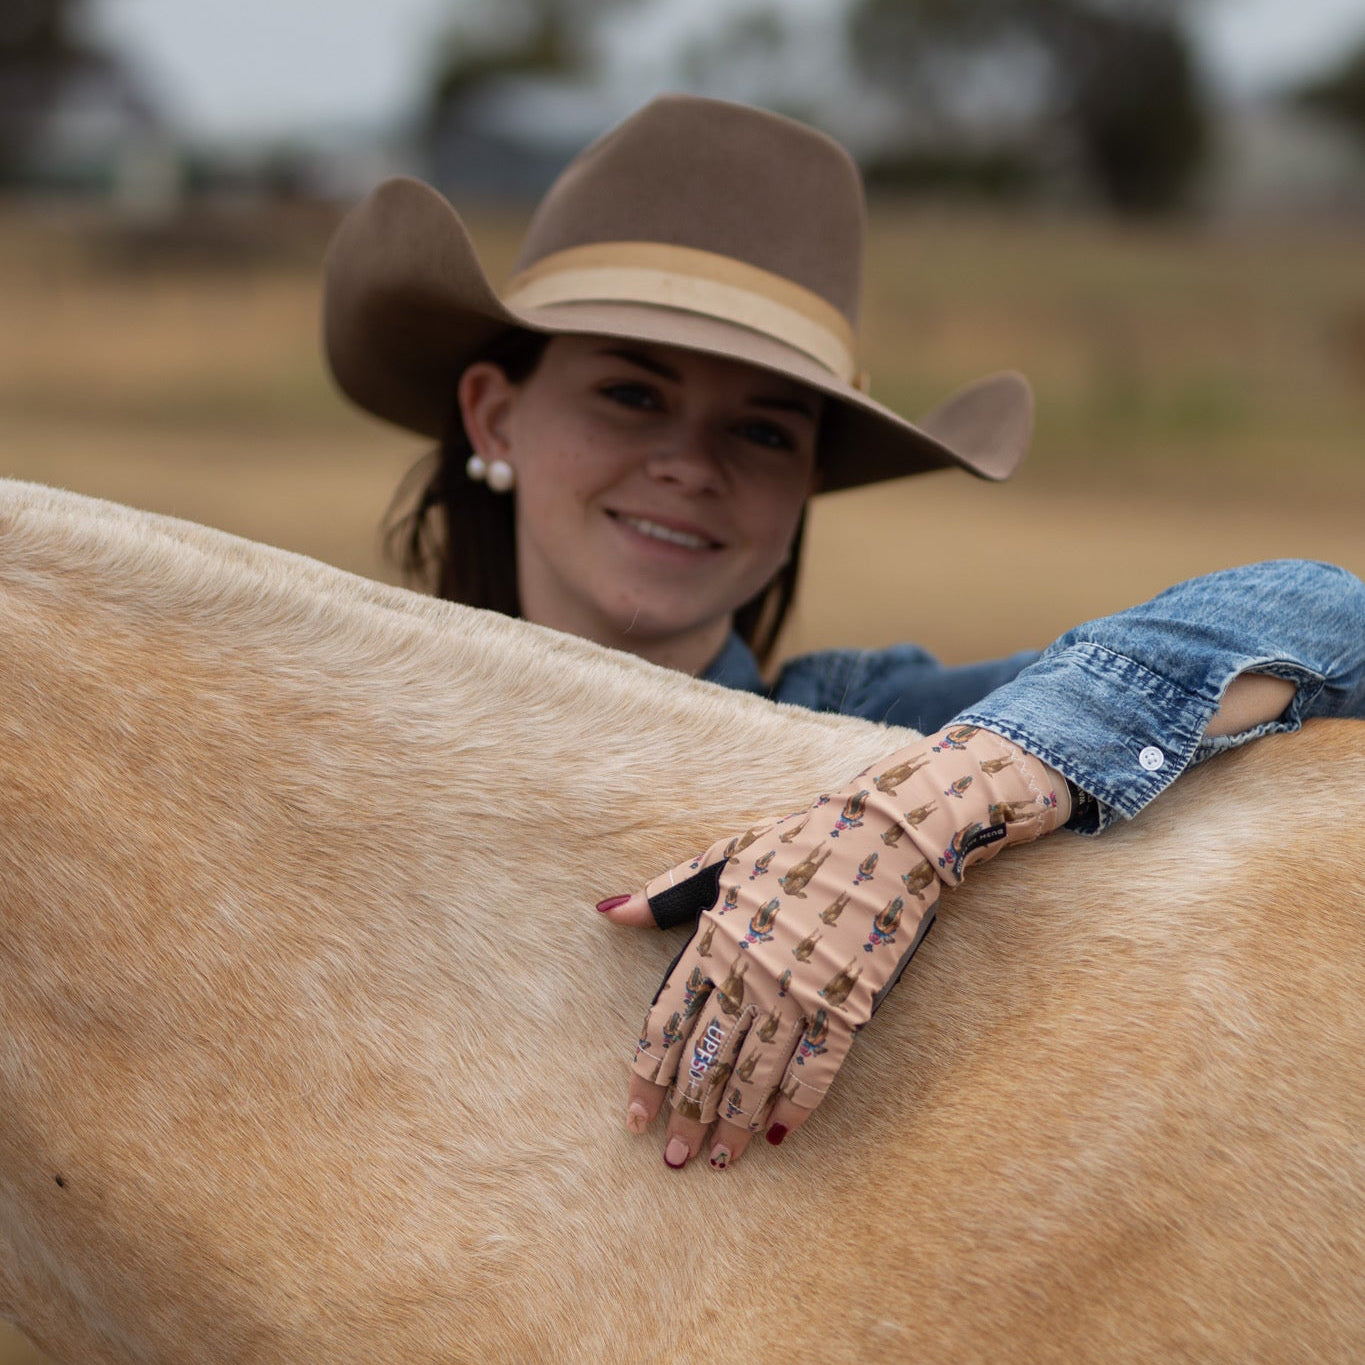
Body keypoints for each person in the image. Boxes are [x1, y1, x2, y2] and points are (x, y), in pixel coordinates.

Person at [322, 93, 1365, 1175]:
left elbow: (1337, 620)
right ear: (494, 416)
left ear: (805, 483)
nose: (691, 463)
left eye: (762, 430)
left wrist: (926, 809)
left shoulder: (873, 735)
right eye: (632, 393)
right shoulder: (334, 738)